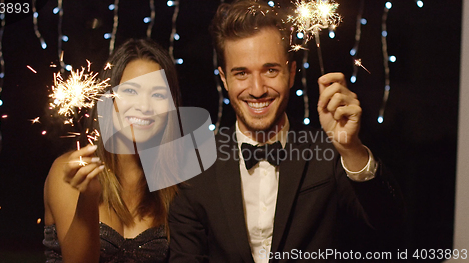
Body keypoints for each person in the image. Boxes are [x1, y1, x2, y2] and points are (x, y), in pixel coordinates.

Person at [168, 1, 404, 262]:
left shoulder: (329, 151)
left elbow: (390, 223)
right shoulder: (194, 165)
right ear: (224, 79)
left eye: (270, 70)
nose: (257, 89)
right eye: (242, 73)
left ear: (291, 74)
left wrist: (351, 148)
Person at [43, 38, 182, 263]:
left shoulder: (177, 186)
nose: (144, 106)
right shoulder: (71, 169)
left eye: (157, 94)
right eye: (130, 91)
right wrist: (87, 198)